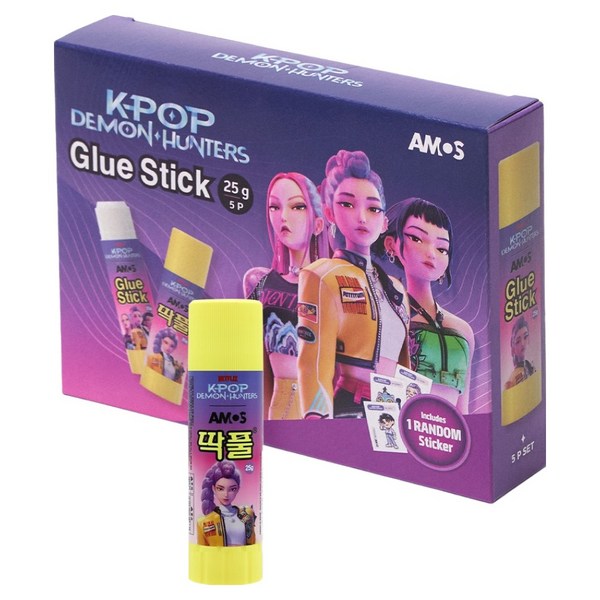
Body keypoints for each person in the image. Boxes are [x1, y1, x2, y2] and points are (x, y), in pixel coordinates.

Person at [297, 150, 410, 419]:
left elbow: (406, 368)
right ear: (329, 212)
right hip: (349, 412)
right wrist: (318, 424)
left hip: (395, 416)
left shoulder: (396, 289)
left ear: (384, 222)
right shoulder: (321, 276)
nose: (362, 217)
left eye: (373, 209)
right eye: (347, 204)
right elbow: (313, 364)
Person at [378, 197, 474, 414]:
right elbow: (382, 392)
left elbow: (463, 410)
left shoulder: (464, 331)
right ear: (391, 244)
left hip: (450, 430)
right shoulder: (389, 318)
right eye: (416, 238)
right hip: (404, 425)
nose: (431, 253)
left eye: (442, 248)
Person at [243, 172, 327, 420]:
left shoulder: (330, 287)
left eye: (298, 206)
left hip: (320, 404)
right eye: (274, 207)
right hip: (276, 405)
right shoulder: (262, 283)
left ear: (318, 224)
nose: (283, 217)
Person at [196, 460, 256, 547]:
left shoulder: (247, 513)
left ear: (238, 489)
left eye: (232, 489)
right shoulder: (204, 522)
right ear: (213, 489)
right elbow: (202, 551)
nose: (226, 494)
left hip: (244, 555)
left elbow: (253, 543)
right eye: (220, 489)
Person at [504, 316, 535, 389]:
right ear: (513, 350)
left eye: (525, 337)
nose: (523, 343)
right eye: (518, 341)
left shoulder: (532, 367)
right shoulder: (511, 381)